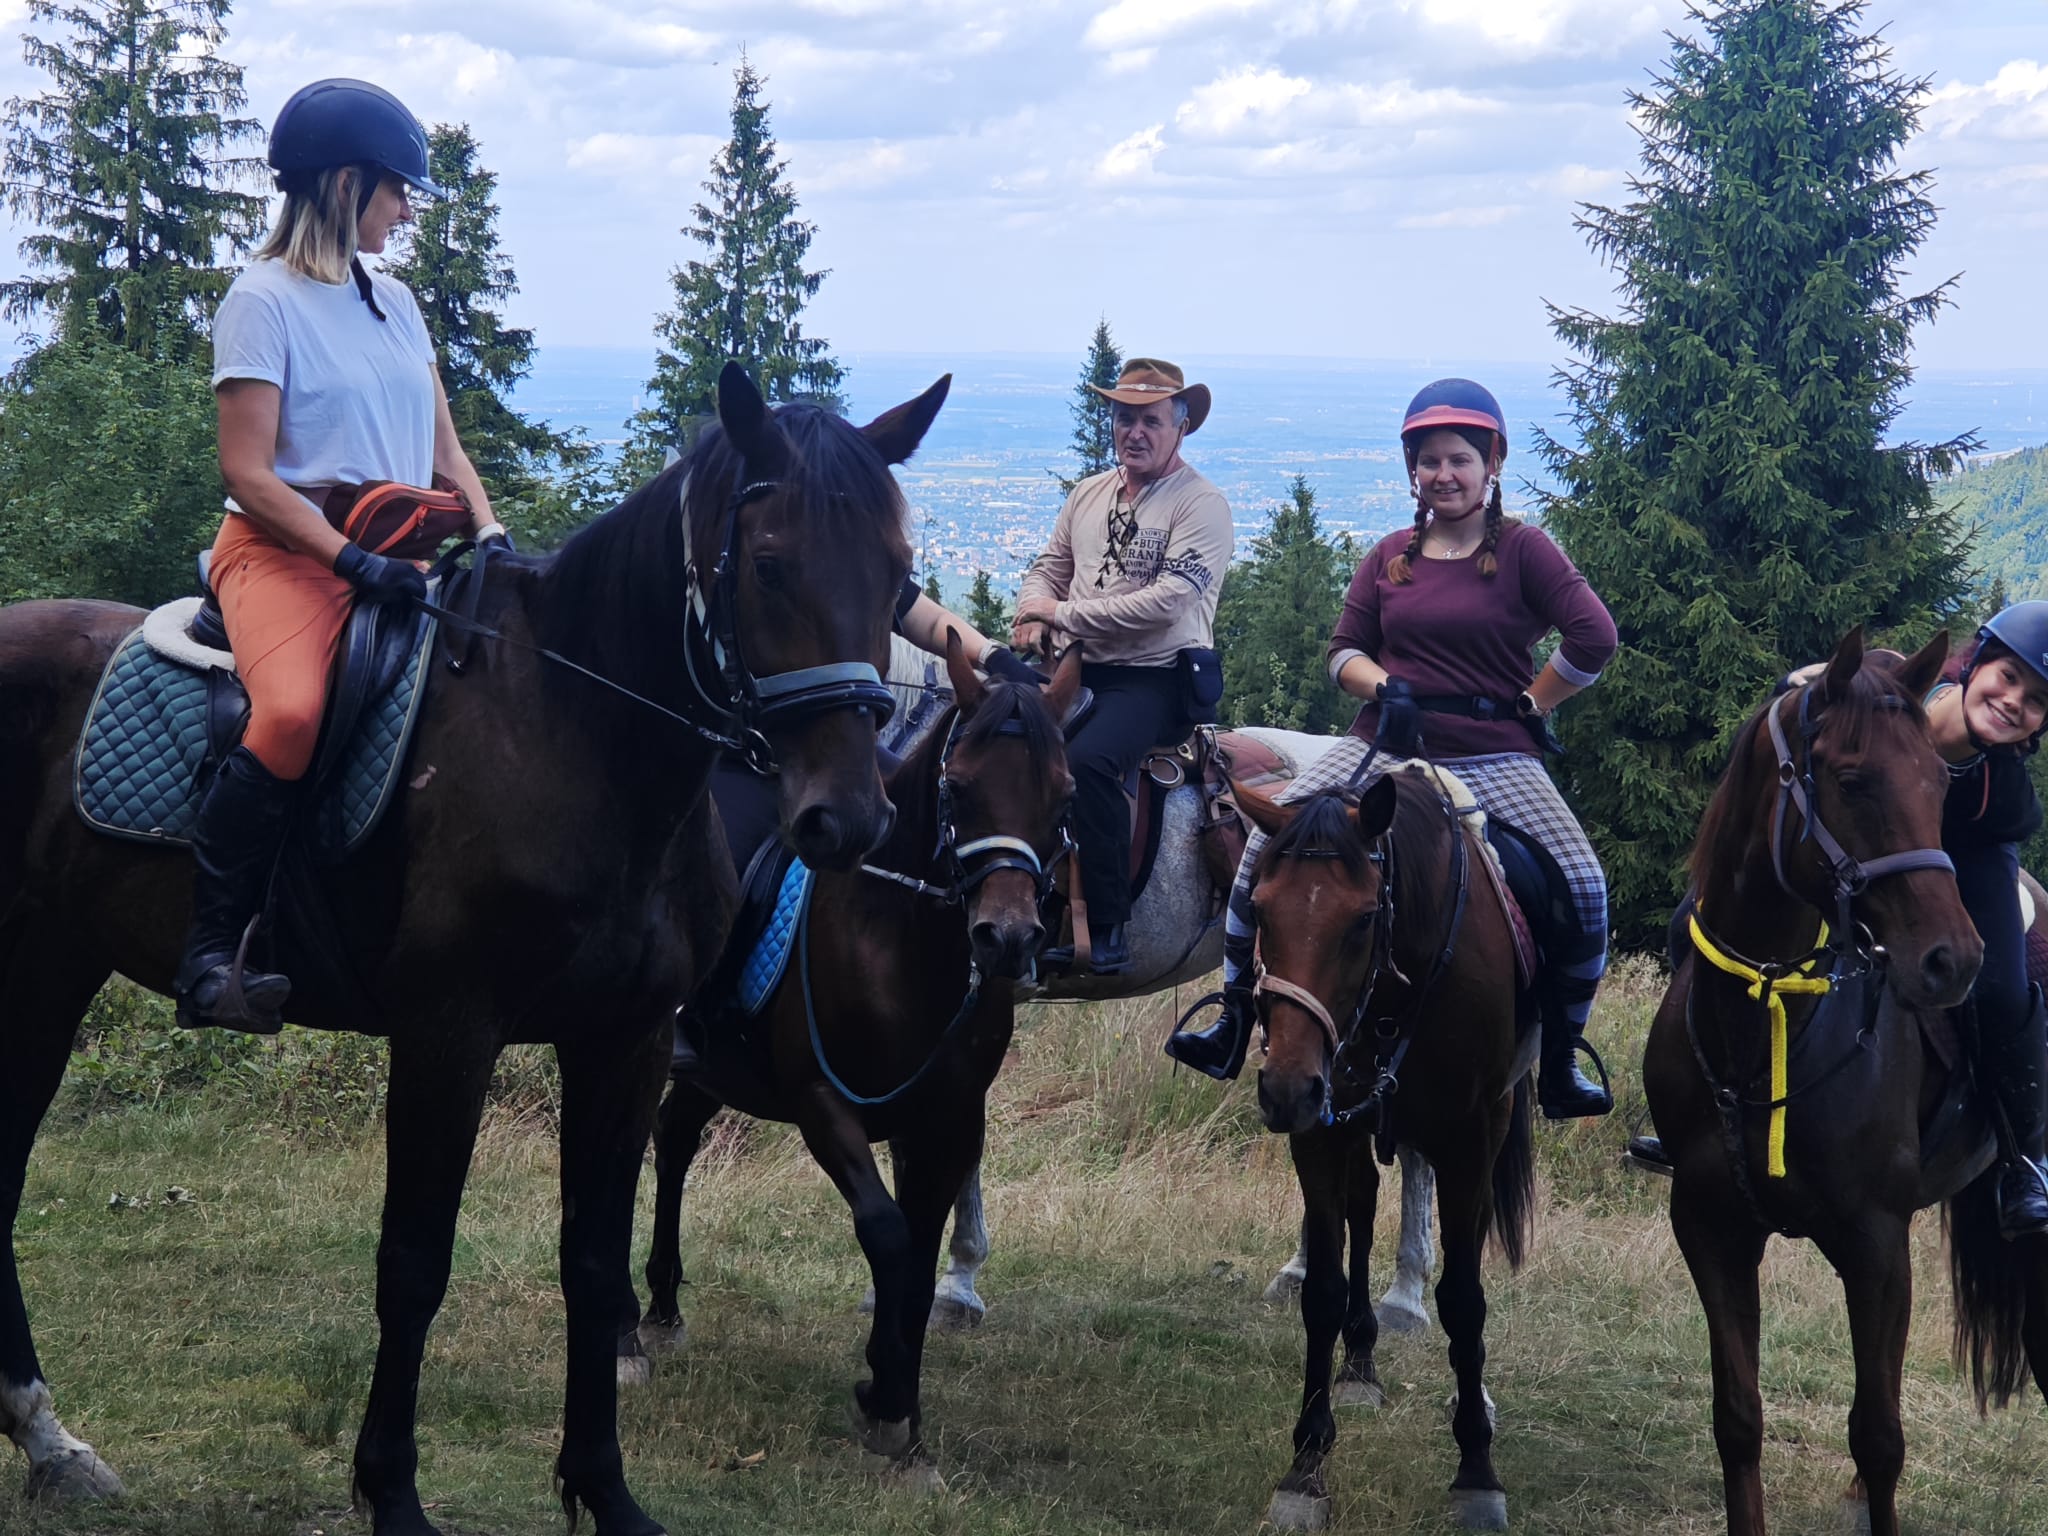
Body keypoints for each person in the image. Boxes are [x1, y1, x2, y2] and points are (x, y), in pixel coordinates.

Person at [1165, 378, 1618, 1119]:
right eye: (1429, 461)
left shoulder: (1525, 550)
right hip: (1383, 741)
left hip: (1493, 751)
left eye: (1459, 459)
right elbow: (1343, 651)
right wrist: (1384, 687)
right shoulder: (1388, 557)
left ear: (1492, 464)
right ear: (1413, 470)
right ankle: (1233, 1017)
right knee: (1260, 853)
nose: (1444, 474)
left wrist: (1535, 701)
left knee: (1584, 882)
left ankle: (1563, 1056)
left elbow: (1595, 637)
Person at [174, 79, 504, 1034]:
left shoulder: (395, 301)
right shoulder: (260, 301)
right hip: (282, 556)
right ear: (347, 182)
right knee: (289, 714)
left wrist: (489, 532)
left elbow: (444, 448)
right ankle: (210, 955)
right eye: (397, 189)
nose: (406, 209)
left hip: (399, 558)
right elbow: (248, 472)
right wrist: (348, 562)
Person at [1628, 605, 2048, 1238]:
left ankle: (2024, 1159)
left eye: (2038, 700)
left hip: (1966, 856)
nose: (2015, 701)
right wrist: (1795, 685)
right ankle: (1692, 1108)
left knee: (2003, 992)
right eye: (2008, 677)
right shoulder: (1893, 682)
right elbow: (1799, 708)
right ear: (1974, 663)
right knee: (1693, 919)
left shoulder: (2003, 787)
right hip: (1874, 839)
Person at [1011, 358, 1233, 975]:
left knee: (1089, 761)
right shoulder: (1088, 493)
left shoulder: (1202, 505)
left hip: (1156, 677)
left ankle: (1107, 930)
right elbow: (1049, 566)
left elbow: (1169, 603)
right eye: (1124, 418)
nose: (1135, 432)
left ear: (1181, 427)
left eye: (1151, 420)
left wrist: (1061, 614)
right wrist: (1032, 608)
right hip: (1080, 665)